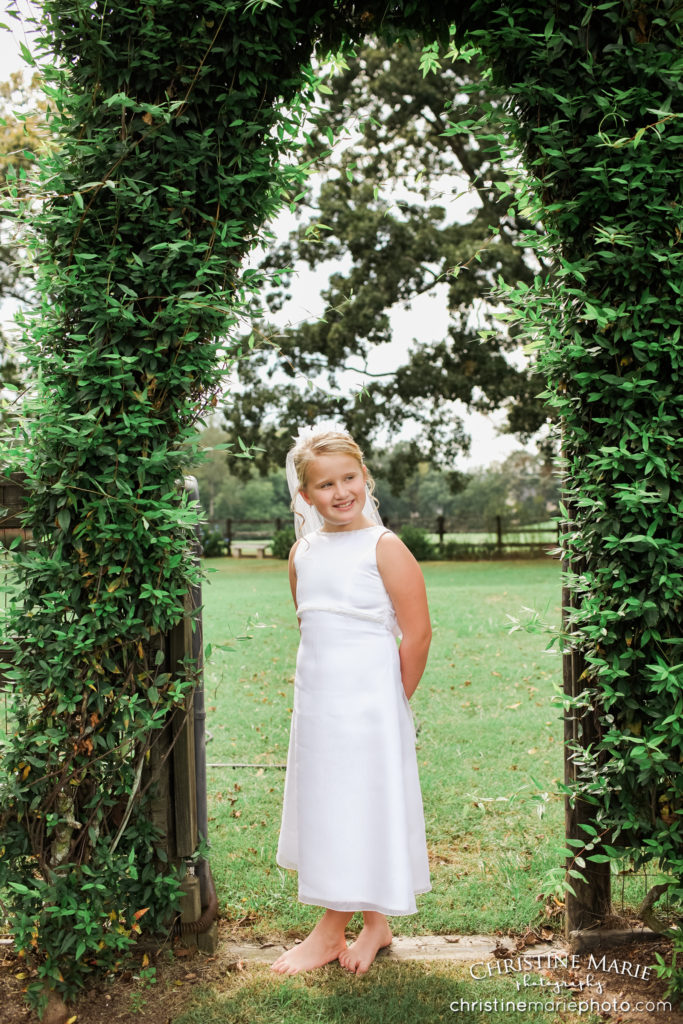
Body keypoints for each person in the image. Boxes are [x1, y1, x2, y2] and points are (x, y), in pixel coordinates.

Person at [271, 423, 432, 977]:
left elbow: (417, 634)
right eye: (324, 485)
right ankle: (377, 925)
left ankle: (328, 931)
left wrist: (393, 703)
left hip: (371, 708)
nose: (340, 493)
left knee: (361, 803)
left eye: (349, 478)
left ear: (365, 477)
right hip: (320, 705)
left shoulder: (384, 547)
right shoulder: (302, 553)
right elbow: (309, 627)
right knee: (334, 808)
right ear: (304, 495)